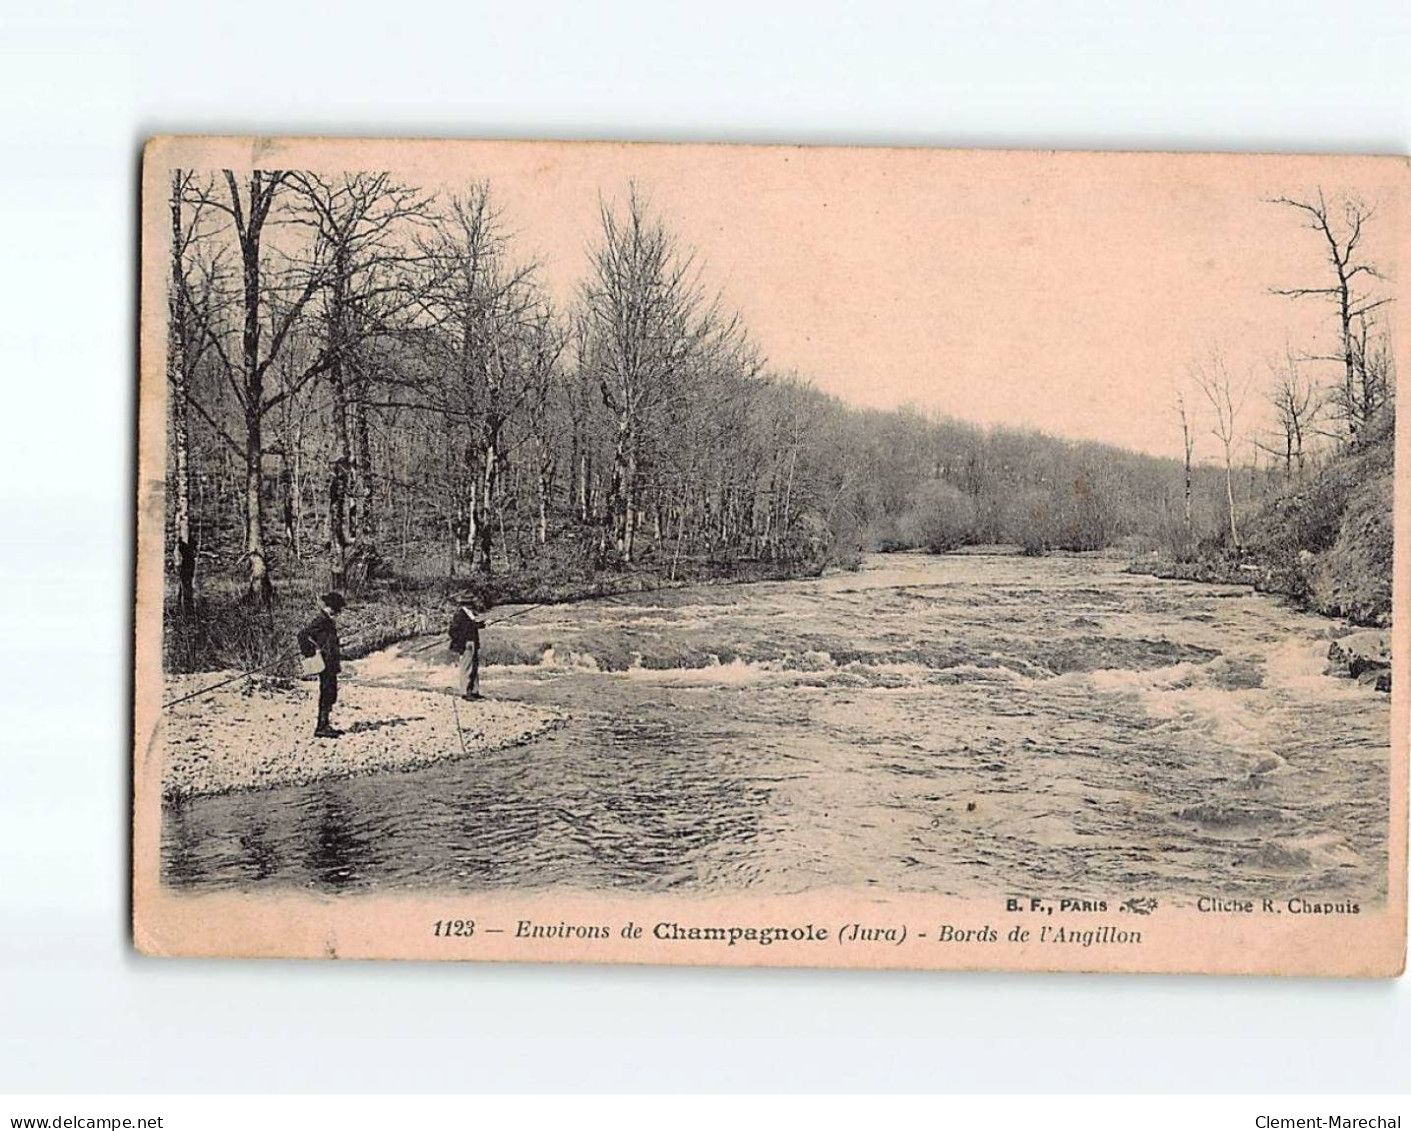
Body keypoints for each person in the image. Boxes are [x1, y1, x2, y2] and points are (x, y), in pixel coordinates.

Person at [297, 591, 346, 738]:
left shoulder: (326, 620)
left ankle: (325, 724)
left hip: (330, 661)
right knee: (327, 692)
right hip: (325, 661)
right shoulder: (322, 620)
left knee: (330, 692)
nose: (339, 612)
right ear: (332, 607)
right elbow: (302, 635)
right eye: (338, 609)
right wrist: (311, 653)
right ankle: (321, 726)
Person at [448, 599, 484, 700]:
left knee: (474, 667)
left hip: (473, 643)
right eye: (470, 603)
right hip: (466, 645)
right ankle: (465, 692)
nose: (473, 604)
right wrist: (463, 642)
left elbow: (471, 627)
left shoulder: (469, 614)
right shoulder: (460, 615)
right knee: (466, 667)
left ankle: (474, 691)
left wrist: (481, 625)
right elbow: (452, 631)